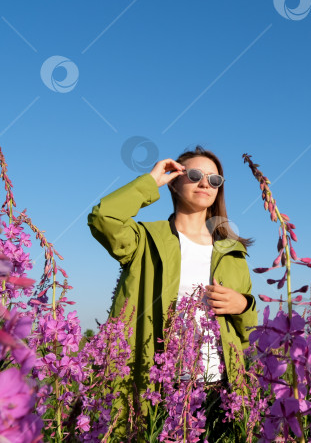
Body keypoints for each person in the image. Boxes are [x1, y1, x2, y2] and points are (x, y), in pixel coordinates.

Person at [87, 145, 258, 438]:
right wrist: (149, 182)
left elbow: (248, 331)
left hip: (222, 386)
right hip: (161, 384)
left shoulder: (232, 250)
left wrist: (243, 305)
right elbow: (104, 218)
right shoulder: (144, 239)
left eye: (215, 180)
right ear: (174, 181)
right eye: (194, 175)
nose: (206, 183)